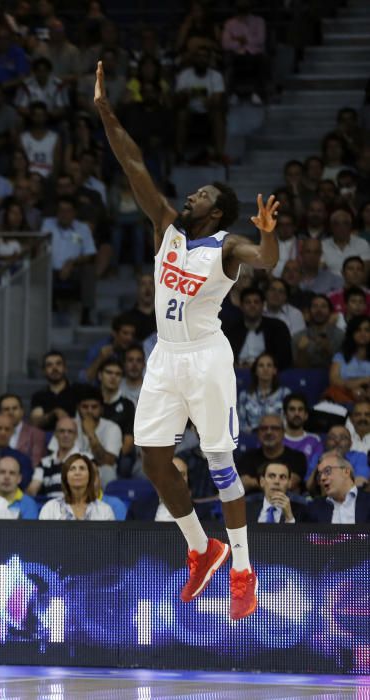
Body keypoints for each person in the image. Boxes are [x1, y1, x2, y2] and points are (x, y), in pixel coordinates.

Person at [94, 60, 281, 619]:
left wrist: (269, 238)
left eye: (200, 194)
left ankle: (244, 570)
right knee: (152, 460)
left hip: (206, 358)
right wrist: (104, 110)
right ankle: (203, 549)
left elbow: (264, 261)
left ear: (217, 210)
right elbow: (133, 163)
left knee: (220, 463)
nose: (190, 196)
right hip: (165, 357)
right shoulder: (167, 228)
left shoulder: (226, 245)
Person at [126, 456, 214, 522]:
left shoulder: (202, 513)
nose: (178, 479)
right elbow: (127, 542)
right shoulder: (138, 508)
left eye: (182, 474)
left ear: (187, 479)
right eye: (172, 473)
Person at [224, 287, 292, 370]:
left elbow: (285, 358)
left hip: (268, 375)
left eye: (256, 302)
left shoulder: (278, 327)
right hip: (237, 374)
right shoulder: (231, 329)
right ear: (241, 306)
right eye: (248, 302)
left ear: (263, 305)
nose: (252, 305)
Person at [237, 414, 307, 493]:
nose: (269, 432)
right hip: (254, 503)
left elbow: (291, 483)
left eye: (274, 428)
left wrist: (256, 482)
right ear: (258, 433)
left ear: (283, 432)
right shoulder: (248, 456)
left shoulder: (297, 457)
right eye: (264, 428)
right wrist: (279, 483)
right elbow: (245, 483)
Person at [38, 453, 115, 520]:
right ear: (65, 477)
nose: (77, 473)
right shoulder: (50, 508)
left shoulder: (104, 511)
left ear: (90, 477)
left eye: (82, 468)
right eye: (72, 469)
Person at [28, 416, 89, 499]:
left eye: (70, 431)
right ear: (55, 434)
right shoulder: (44, 462)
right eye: (62, 431)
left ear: (76, 435)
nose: (65, 435)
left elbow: (94, 487)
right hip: (51, 508)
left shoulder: (87, 459)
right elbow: (32, 489)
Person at [0, 393, 45, 467]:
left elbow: (35, 464)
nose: (11, 412)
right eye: (6, 409)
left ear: (22, 411)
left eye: (15, 408)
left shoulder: (37, 434)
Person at [306, 452, 370, 524]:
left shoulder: (368, 501)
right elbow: (299, 533)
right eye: (320, 475)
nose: (322, 478)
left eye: (327, 471)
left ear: (346, 472)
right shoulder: (314, 507)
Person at [237, 352, 290, 434]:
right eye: (261, 365)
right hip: (252, 437)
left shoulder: (285, 394)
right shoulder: (244, 396)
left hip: (277, 437)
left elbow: (287, 423)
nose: (265, 369)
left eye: (269, 365)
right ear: (255, 371)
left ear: (274, 370)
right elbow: (241, 424)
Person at [30, 351, 78, 431]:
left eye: (58, 364)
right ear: (44, 371)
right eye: (49, 365)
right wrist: (53, 413)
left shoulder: (78, 392)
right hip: (46, 439)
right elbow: (35, 422)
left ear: (65, 368)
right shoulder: (38, 396)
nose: (54, 368)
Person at [282, 393, 322, 462]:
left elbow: (316, 467)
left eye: (300, 409)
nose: (296, 413)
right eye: (292, 409)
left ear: (306, 415)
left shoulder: (315, 440)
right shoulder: (277, 439)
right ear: (285, 414)